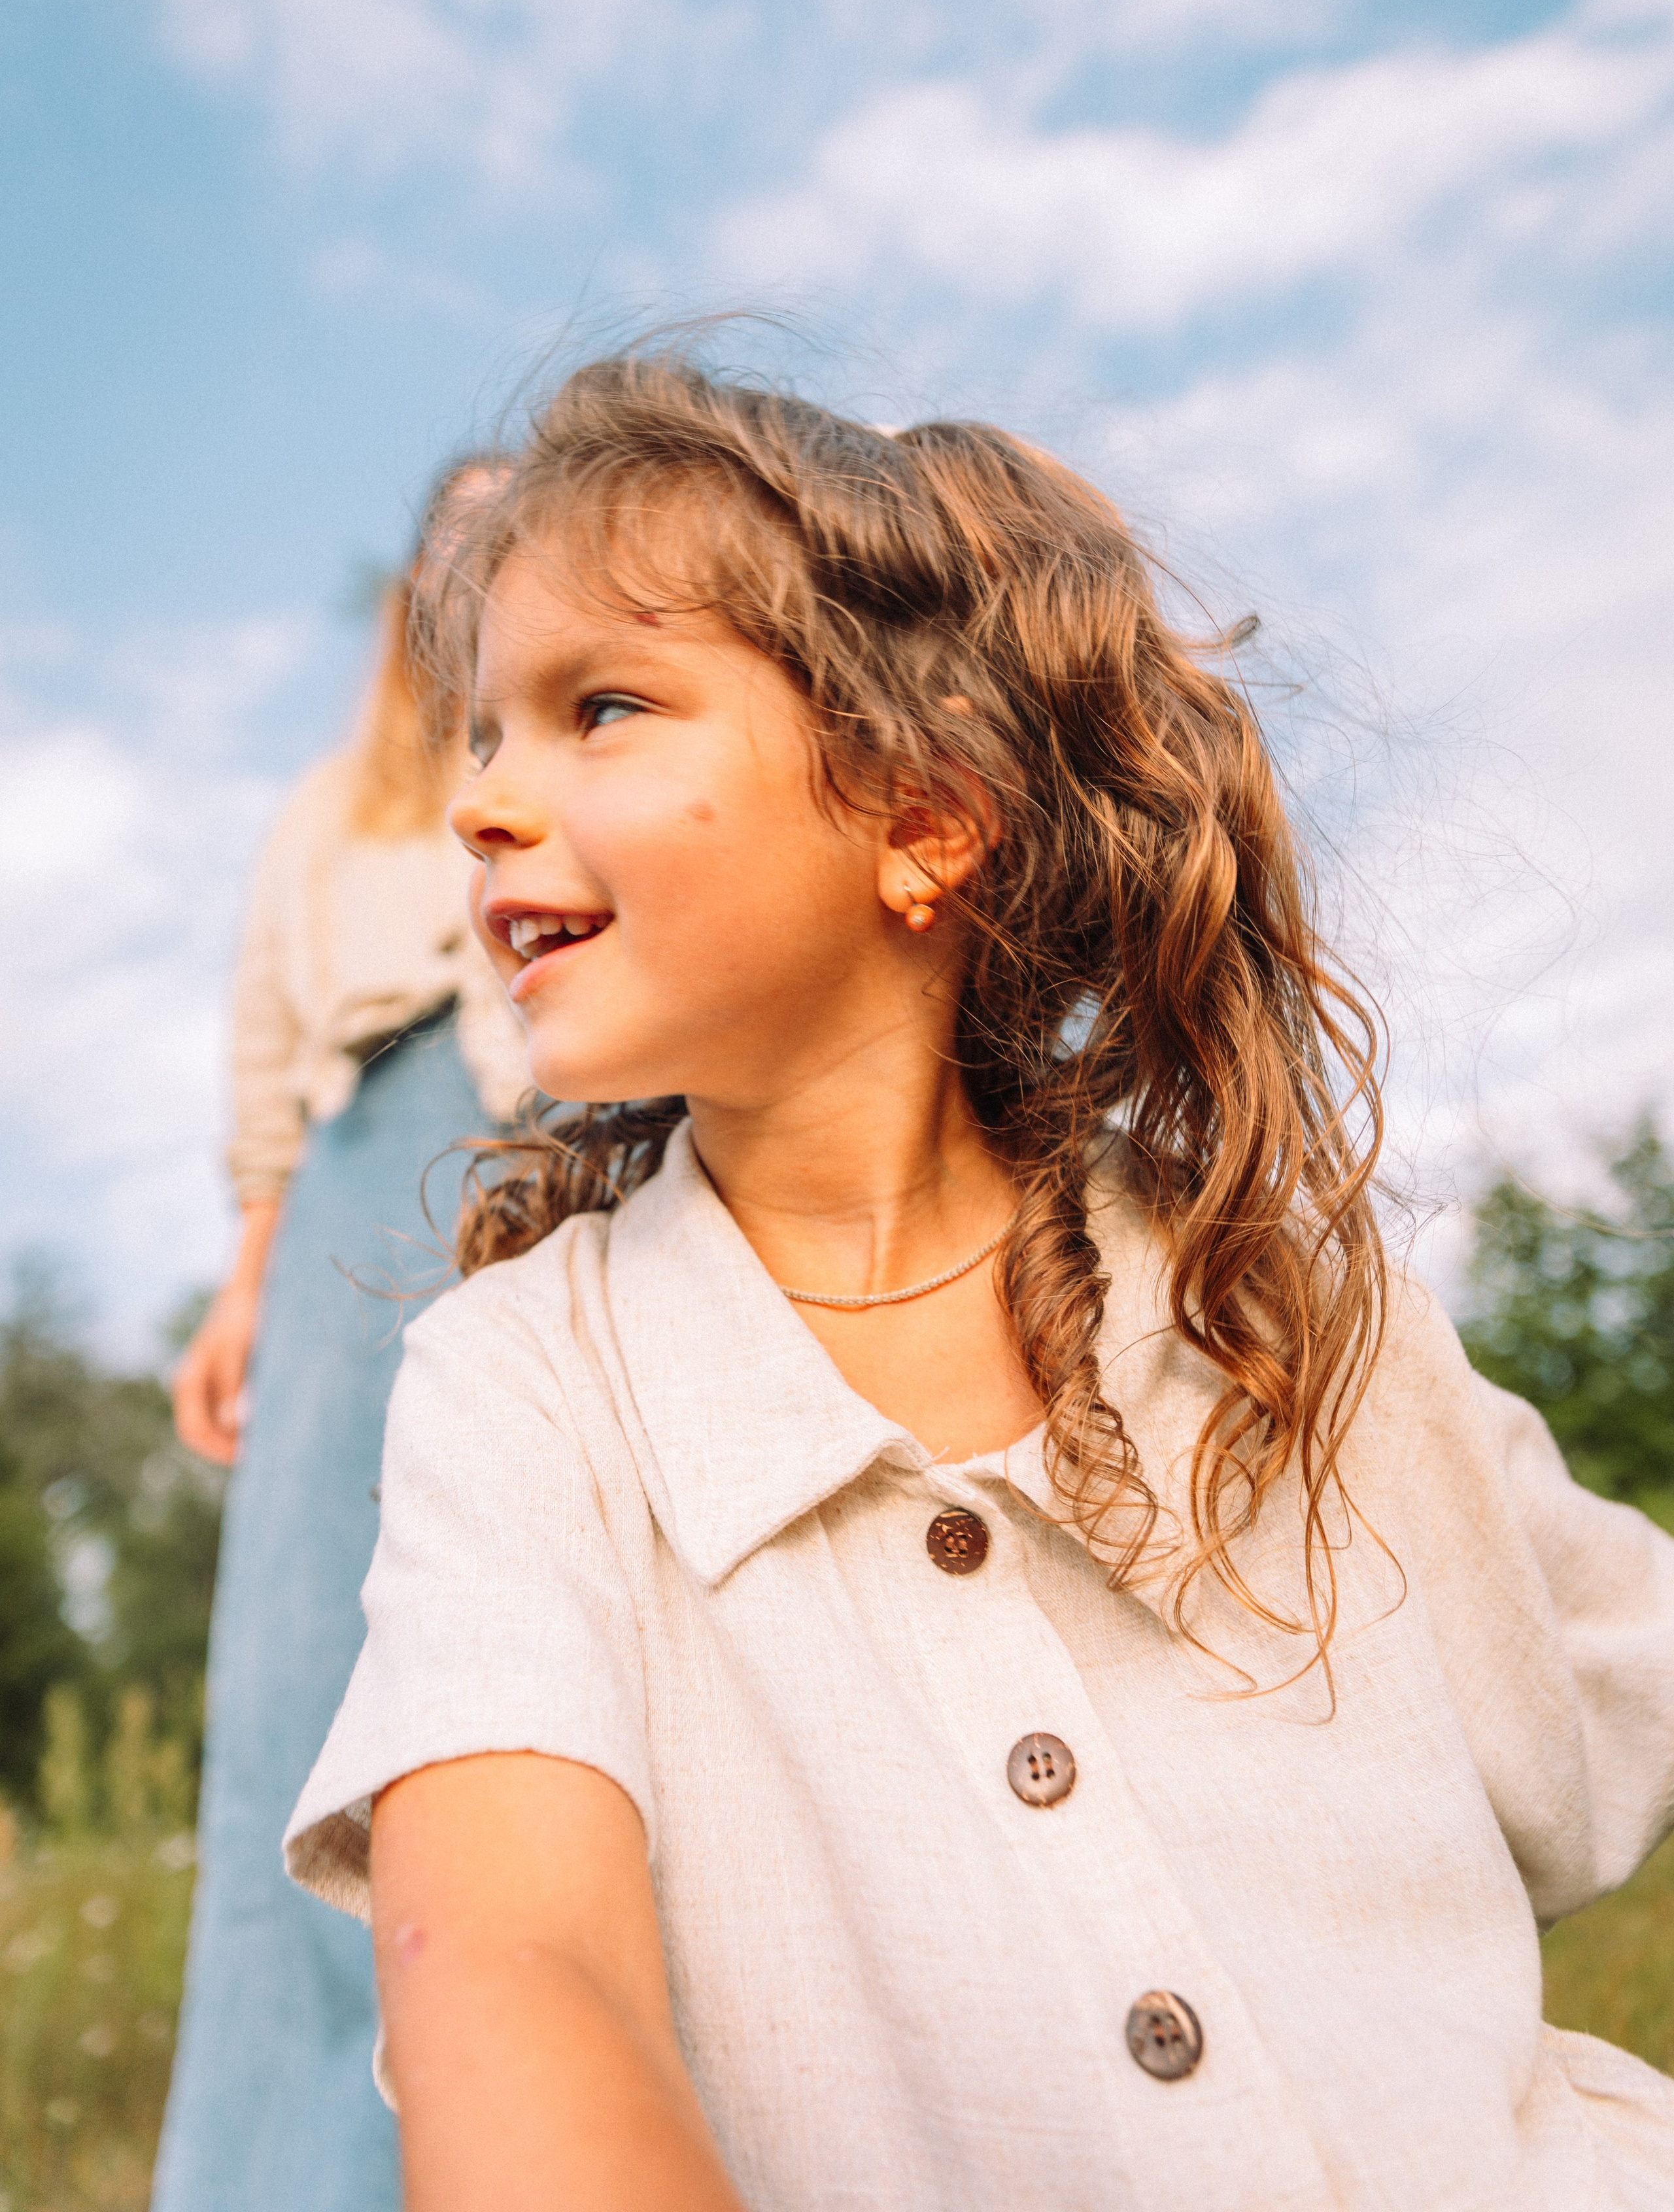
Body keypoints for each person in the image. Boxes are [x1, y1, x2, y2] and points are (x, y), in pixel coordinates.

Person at [285, 355, 1674, 2211]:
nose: (484, 803)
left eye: (598, 708)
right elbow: (515, 1974)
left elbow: (1599, 1709)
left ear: (922, 822)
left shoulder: (1279, 1301)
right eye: (480, 736)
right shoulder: (524, 1382)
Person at [154, 456, 529, 2212]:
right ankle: (289, 2174)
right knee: (305, 1693)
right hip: (349, 1196)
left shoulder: (565, 772)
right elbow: (264, 1056)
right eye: (453, 536)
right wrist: (245, 1282)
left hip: (547, 1179)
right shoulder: (332, 807)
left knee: (531, 1666)